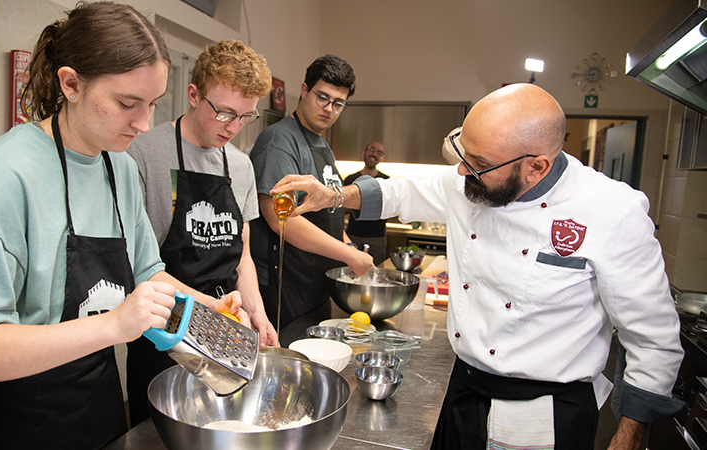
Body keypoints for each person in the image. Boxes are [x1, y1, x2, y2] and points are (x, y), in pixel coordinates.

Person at [271, 83, 685, 450]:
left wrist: (629, 437)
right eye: (464, 154)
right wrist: (330, 196)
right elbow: (399, 192)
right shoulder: (469, 178)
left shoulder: (613, 210)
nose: (461, 171)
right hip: (463, 391)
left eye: (478, 163)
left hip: (544, 415)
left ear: (535, 166)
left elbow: (654, 341)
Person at [0, 3, 248, 449]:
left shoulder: (117, 167)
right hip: (7, 425)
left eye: (152, 104)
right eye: (127, 103)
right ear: (71, 84)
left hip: (94, 412)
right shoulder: (1, 175)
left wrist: (210, 308)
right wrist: (115, 325)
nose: (144, 123)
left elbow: (148, 274)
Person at [125, 39, 278, 425]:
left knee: (223, 426)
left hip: (227, 326)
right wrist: (205, 310)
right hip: (165, 330)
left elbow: (240, 252)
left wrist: (257, 313)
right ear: (193, 95)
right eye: (225, 113)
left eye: (245, 116)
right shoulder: (144, 151)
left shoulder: (241, 166)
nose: (234, 127)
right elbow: (135, 261)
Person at [248, 55, 374, 347]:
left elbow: (327, 213)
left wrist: (348, 245)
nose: (329, 109)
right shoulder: (280, 141)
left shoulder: (323, 146)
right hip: (284, 287)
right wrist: (349, 256)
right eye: (322, 98)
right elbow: (281, 219)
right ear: (304, 90)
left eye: (338, 103)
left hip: (313, 284)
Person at [343, 141, 389, 265]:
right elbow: (341, 209)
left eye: (379, 152)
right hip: (352, 236)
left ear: (382, 158)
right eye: (372, 149)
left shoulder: (386, 181)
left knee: (375, 273)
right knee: (349, 272)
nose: (374, 154)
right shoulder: (350, 179)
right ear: (364, 153)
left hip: (377, 238)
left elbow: (390, 209)